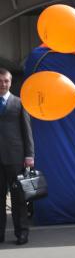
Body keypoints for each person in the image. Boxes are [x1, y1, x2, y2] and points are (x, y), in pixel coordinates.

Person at [0, 68, 34, 245]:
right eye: (0, 81)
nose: (3, 84)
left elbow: (27, 131)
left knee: (18, 198)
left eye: (6, 81)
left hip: (15, 158)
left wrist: (29, 155)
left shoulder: (20, 103)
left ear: (10, 82)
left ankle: (22, 233)